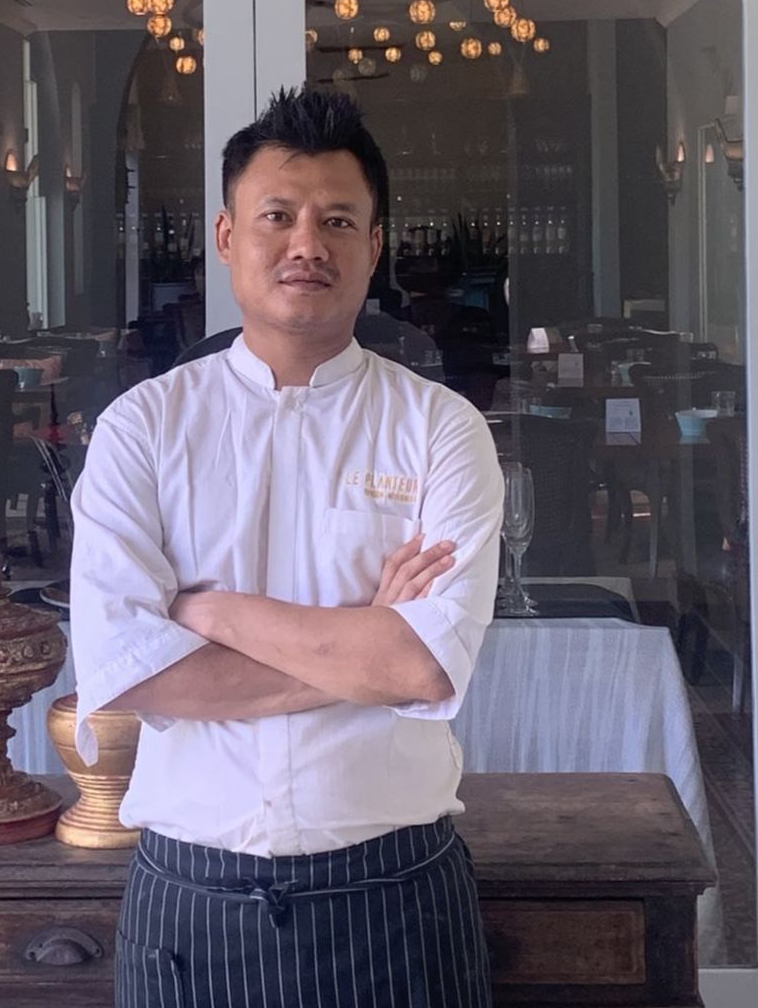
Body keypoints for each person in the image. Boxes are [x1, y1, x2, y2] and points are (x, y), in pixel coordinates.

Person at [71, 87, 504, 1007]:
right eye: (278, 216)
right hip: (191, 899)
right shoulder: (143, 428)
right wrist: (363, 649)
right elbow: (131, 673)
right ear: (228, 238)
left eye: (338, 220)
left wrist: (208, 611)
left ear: (375, 247)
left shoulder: (440, 429)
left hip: (396, 898)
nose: (308, 243)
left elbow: (423, 667)